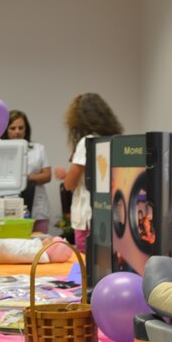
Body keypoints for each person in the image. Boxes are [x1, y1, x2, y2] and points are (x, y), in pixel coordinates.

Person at [54, 93, 123, 253]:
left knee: (87, 261)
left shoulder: (86, 142)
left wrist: (66, 176)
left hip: (86, 212)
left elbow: (70, 184)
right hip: (108, 210)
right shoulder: (112, 139)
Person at [0, 110, 52, 233]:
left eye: (20, 127)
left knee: (39, 244)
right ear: (6, 130)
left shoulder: (38, 149)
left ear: (26, 129)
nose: (17, 131)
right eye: (13, 128)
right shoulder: (0, 151)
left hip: (37, 206)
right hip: (10, 204)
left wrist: (25, 177)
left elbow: (47, 175)